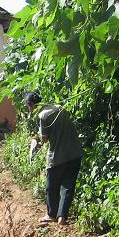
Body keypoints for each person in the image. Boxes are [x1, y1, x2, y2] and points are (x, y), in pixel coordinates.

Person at [25, 92, 82, 226]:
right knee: (68, 185)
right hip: (75, 152)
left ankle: (51, 214)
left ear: (31, 104)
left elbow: (44, 138)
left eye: (28, 106)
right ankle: (62, 216)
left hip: (58, 156)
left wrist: (36, 139)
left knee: (51, 186)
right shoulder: (59, 107)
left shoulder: (42, 115)